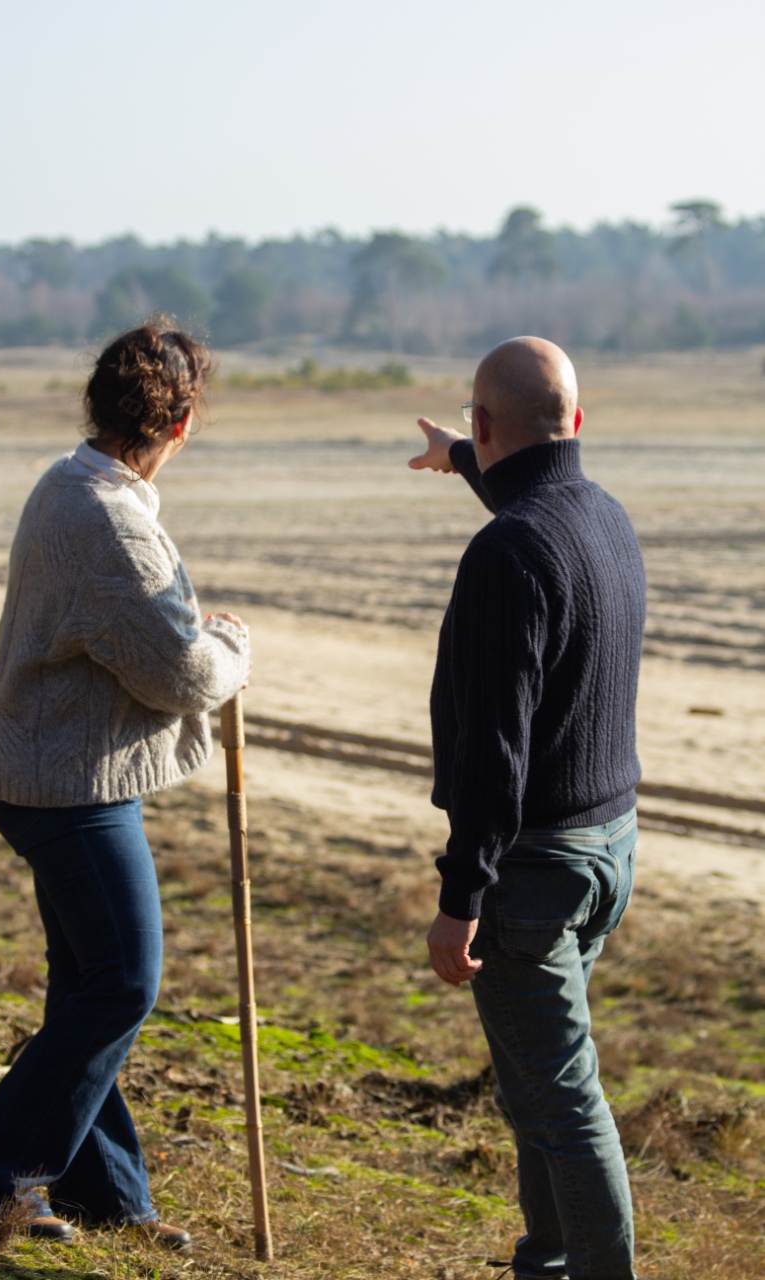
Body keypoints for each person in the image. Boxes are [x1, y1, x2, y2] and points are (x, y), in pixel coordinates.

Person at [0, 318, 251, 1250]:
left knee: (87, 987)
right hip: (63, 785)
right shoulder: (107, 517)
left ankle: (107, 1195)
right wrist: (234, 648)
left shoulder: (74, 480)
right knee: (123, 983)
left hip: (47, 768)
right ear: (182, 420)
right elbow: (180, 675)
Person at [409, 337, 645, 1280]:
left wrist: (459, 898)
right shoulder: (604, 516)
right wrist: (465, 458)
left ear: (482, 421)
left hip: (533, 871)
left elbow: (492, 755)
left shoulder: (505, 554)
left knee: (558, 1099)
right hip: (606, 850)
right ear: (577, 424)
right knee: (537, 1087)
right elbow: (535, 516)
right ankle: (545, 1260)